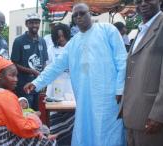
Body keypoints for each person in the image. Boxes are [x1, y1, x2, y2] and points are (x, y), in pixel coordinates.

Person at [24, 3, 127, 146]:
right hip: (85, 98)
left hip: (108, 97)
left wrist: (120, 88)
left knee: (108, 132)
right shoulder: (73, 43)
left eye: (82, 13)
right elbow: (55, 66)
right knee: (87, 130)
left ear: (90, 13)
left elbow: (122, 60)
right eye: (75, 15)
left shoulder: (107, 30)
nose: (78, 17)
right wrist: (36, 83)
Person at [0, 56, 56, 146]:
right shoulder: (5, 96)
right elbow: (23, 128)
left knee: (40, 133)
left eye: (16, 75)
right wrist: (33, 118)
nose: (16, 79)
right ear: (0, 76)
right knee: (50, 142)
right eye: (12, 75)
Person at [120, 0, 163, 145]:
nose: (143, 4)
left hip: (151, 117)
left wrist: (159, 114)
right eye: (138, 1)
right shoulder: (142, 29)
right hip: (134, 115)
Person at [11, 13, 48, 111]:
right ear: (26, 24)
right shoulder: (19, 41)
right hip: (24, 85)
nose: (35, 25)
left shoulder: (42, 41)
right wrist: (32, 71)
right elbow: (14, 63)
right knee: (25, 112)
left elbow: (44, 61)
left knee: (38, 111)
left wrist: (43, 78)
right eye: (31, 23)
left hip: (38, 84)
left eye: (37, 23)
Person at [46, 23, 75, 146]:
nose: (61, 39)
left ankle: (69, 139)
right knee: (56, 114)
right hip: (55, 87)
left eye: (63, 36)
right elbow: (48, 68)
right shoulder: (51, 49)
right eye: (58, 37)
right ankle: (57, 141)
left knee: (71, 114)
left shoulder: (73, 47)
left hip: (70, 86)